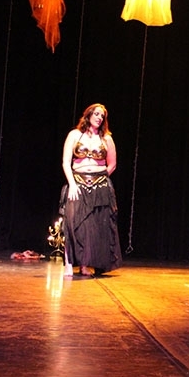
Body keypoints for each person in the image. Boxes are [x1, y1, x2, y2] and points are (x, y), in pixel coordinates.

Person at [60, 103, 122, 277]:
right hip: (77, 182)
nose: (99, 117)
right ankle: (69, 263)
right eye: (96, 114)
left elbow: (112, 164)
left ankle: (86, 265)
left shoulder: (106, 139)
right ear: (88, 115)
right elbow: (66, 162)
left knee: (92, 227)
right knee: (73, 223)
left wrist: (100, 179)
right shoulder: (75, 135)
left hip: (99, 185)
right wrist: (72, 183)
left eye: (102, 116)